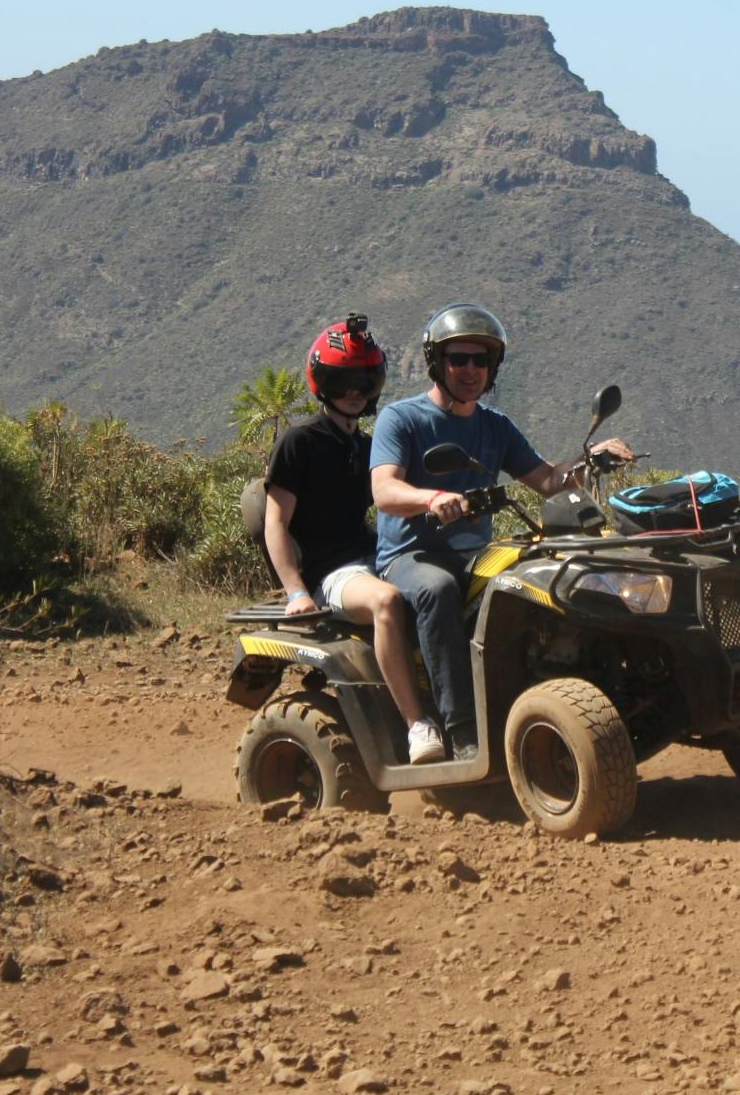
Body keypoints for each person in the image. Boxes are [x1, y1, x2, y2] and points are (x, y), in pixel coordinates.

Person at [369, 303, 633, 762]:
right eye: (459, 359)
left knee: (540, 577)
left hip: (475, 551)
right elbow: (385, 489)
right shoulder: (402, 419)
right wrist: (431, 499)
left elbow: (549, 481)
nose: (471, 370)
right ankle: (461, 729)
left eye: (481, 360)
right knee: (436, 590)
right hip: (411, 556)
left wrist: (591, 459)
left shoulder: (496, 426)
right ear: (437, 363)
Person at [266, 314, 444, 765]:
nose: (355, 391)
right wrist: (296, 591)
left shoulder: (367, 447)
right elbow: (276, 524)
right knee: (386, 603)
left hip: (377, 556)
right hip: (333, 571)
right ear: (321, 381)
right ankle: (417, 725)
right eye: (343, 379)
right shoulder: (299, 441)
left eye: (364, 379)